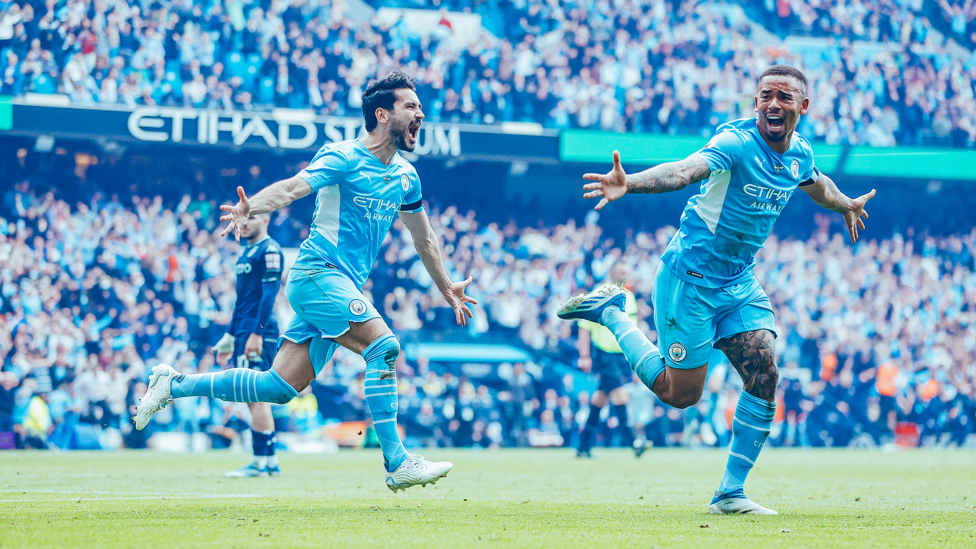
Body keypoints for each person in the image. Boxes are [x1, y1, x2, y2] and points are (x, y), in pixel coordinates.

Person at [135, 71, 478, 492]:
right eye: (412, 106)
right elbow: (294, 188)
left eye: (420, 107)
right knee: (384, 346)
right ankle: (397, 461)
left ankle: (173, 384)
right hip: (318, 274)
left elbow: (423, 237)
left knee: (277, 387)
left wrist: (446, 286)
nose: (420, 113)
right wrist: (251, 208)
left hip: (341, 286)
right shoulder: (344, 156)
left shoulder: (407, 177)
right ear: (382, 114)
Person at [557, 65, 875, 515]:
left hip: (739, 283)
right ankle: (612, 313)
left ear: (803, 107)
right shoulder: (736, 142)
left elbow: (816, 183)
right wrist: (631, 183)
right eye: (766, 95)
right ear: (756, 101)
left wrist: (845, 203)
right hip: (690, 280)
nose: (773, 104)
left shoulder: (799, 153)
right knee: (680, 395)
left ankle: (729, 493)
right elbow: (685, 171)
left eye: (784, 97)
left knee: (765, 375)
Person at [211, 212, 284, 478]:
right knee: (253, 398)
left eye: (253, 217)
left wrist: (257, 333)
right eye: (244, 218)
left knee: (256, 397)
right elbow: (242, 301)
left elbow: (269, 296)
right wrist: (230, 336)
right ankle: (271, 461)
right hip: (243, 331)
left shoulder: (270, 250)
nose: (245, 222)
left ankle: (258, 463)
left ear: (266, 221)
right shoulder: (246, 252)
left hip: (258, 331)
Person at [573, 261, 646, 457]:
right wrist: (584, 355)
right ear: (611, 272)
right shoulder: (599, 293)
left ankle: (582, 447)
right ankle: (634, 441)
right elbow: (584, 326)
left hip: (622, 355)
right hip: (603, 353)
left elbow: (633, 329)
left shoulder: (629, 297)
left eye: (627, 273)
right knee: (621, 396)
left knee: (599, 399)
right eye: (621, 272)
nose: (624, 276)